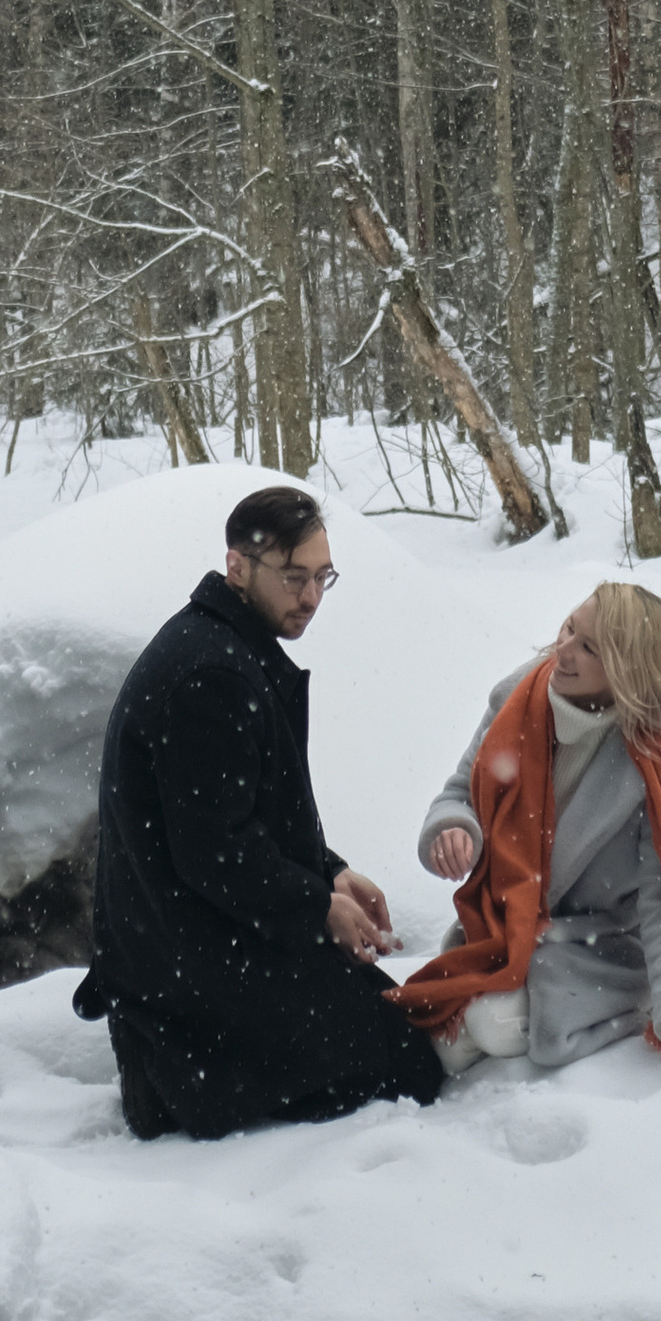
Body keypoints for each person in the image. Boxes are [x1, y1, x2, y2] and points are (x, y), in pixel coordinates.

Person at [75, 485, 445, 1139]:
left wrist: (328, 874)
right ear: (238, 565)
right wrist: (314, 906)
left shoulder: (226, 646)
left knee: (397, 1027)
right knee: (403, 1060)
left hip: (200, 942)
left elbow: (244, 818)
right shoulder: (208, 674)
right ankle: (164, 1083)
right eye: (294, 577)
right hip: (182, 973)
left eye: (323, 577)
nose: (310, 597)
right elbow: (212, 851)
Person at [394, 580, 661, 1074]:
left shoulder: (659, 763)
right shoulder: (517, 701)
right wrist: (454, 829)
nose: (563, 649)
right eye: (569, 628)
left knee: (487, 1026)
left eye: (589, 648)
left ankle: (632, 1003)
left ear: (627, 671)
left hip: (596, 949)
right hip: (501, 930)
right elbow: (460, 792)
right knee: (436, 1040)